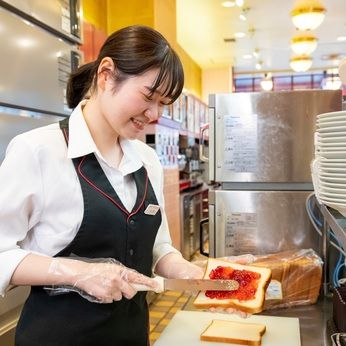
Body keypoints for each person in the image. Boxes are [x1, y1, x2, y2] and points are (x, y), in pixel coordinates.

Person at [0, 25, 204, 346]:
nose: (154, 114)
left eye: (164, 103)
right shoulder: (38, 150)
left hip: (133, 336)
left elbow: (157, 248)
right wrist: (76, 273)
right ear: (106, 74)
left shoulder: (146, 159)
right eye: (149, 96)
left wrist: (188, 270)